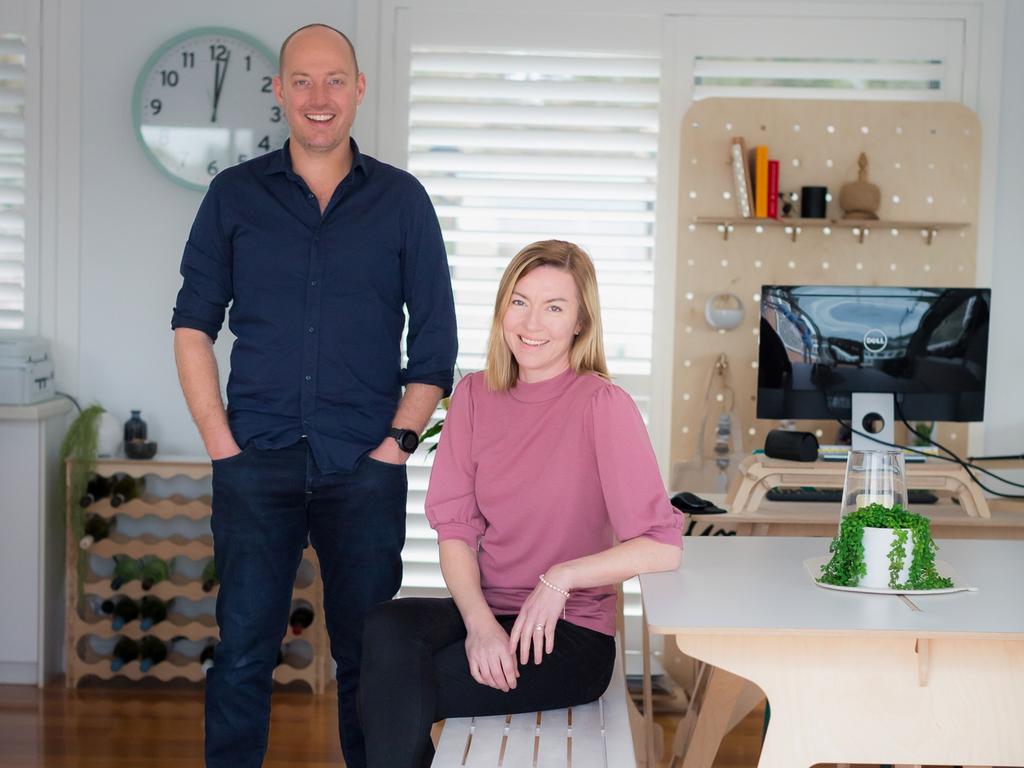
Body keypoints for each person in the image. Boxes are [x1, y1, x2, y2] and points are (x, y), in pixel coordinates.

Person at [170, 23, 457, 768]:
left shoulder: (402, 201)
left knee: (373, 662)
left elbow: (435, 345)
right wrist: (219, 442)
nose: (319, 97)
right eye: (303, 80)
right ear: (280, 91)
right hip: (254, 461)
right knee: (242, 657)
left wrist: (395, 448)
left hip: (363, 469)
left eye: (335, 80)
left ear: (360, 90)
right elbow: (192, 325)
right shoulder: (233, 197)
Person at [359, 240, 683, 767]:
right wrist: (482, 625)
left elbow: (662, 548)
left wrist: (561, 578)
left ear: (580, 322)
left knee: (391, 688)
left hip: (571, 636)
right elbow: (456, 531)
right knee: (385, 627)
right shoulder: (471, 397)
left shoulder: (603, 405)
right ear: (502, 309)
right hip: (490, 611)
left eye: (554, 307)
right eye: (520, 301)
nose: (533, 322)